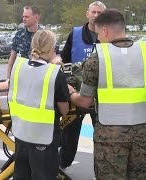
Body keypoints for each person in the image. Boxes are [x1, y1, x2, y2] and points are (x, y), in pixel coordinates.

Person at [68, 9, 146, 179]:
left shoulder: (97, 59)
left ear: (105, 31)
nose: (98, 39)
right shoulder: (143, 53)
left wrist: (72, 93)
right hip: (142, 135)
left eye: (98, 34)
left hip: (110, 139)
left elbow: (85, 101)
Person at [8, 30, 69, 180]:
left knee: (21, 174)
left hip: (21, 132)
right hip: (44, 137)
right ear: (51, 50)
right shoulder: (54, 74)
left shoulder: (18, 68)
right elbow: (64, 110)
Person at [59, 1, 106, 170]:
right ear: (87, 14)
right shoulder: (76, 34)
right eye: (93, 12)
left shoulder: (108, 36)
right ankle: (60, 167)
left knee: (102, 141)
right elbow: (63, 60)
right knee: (69, 139)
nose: (96, 15)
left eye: (99, 12)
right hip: (76, 97)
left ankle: (100, 172)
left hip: (100, 99)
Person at [6, 5, 41, 78]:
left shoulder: (44, 36)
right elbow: (12, 59)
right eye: (23, 17)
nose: (24, 19)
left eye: (27, 17)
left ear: (36, 17)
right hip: (21, 76)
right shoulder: (19, 35)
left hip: (39, 76)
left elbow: (52, 58)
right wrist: (8, 78)